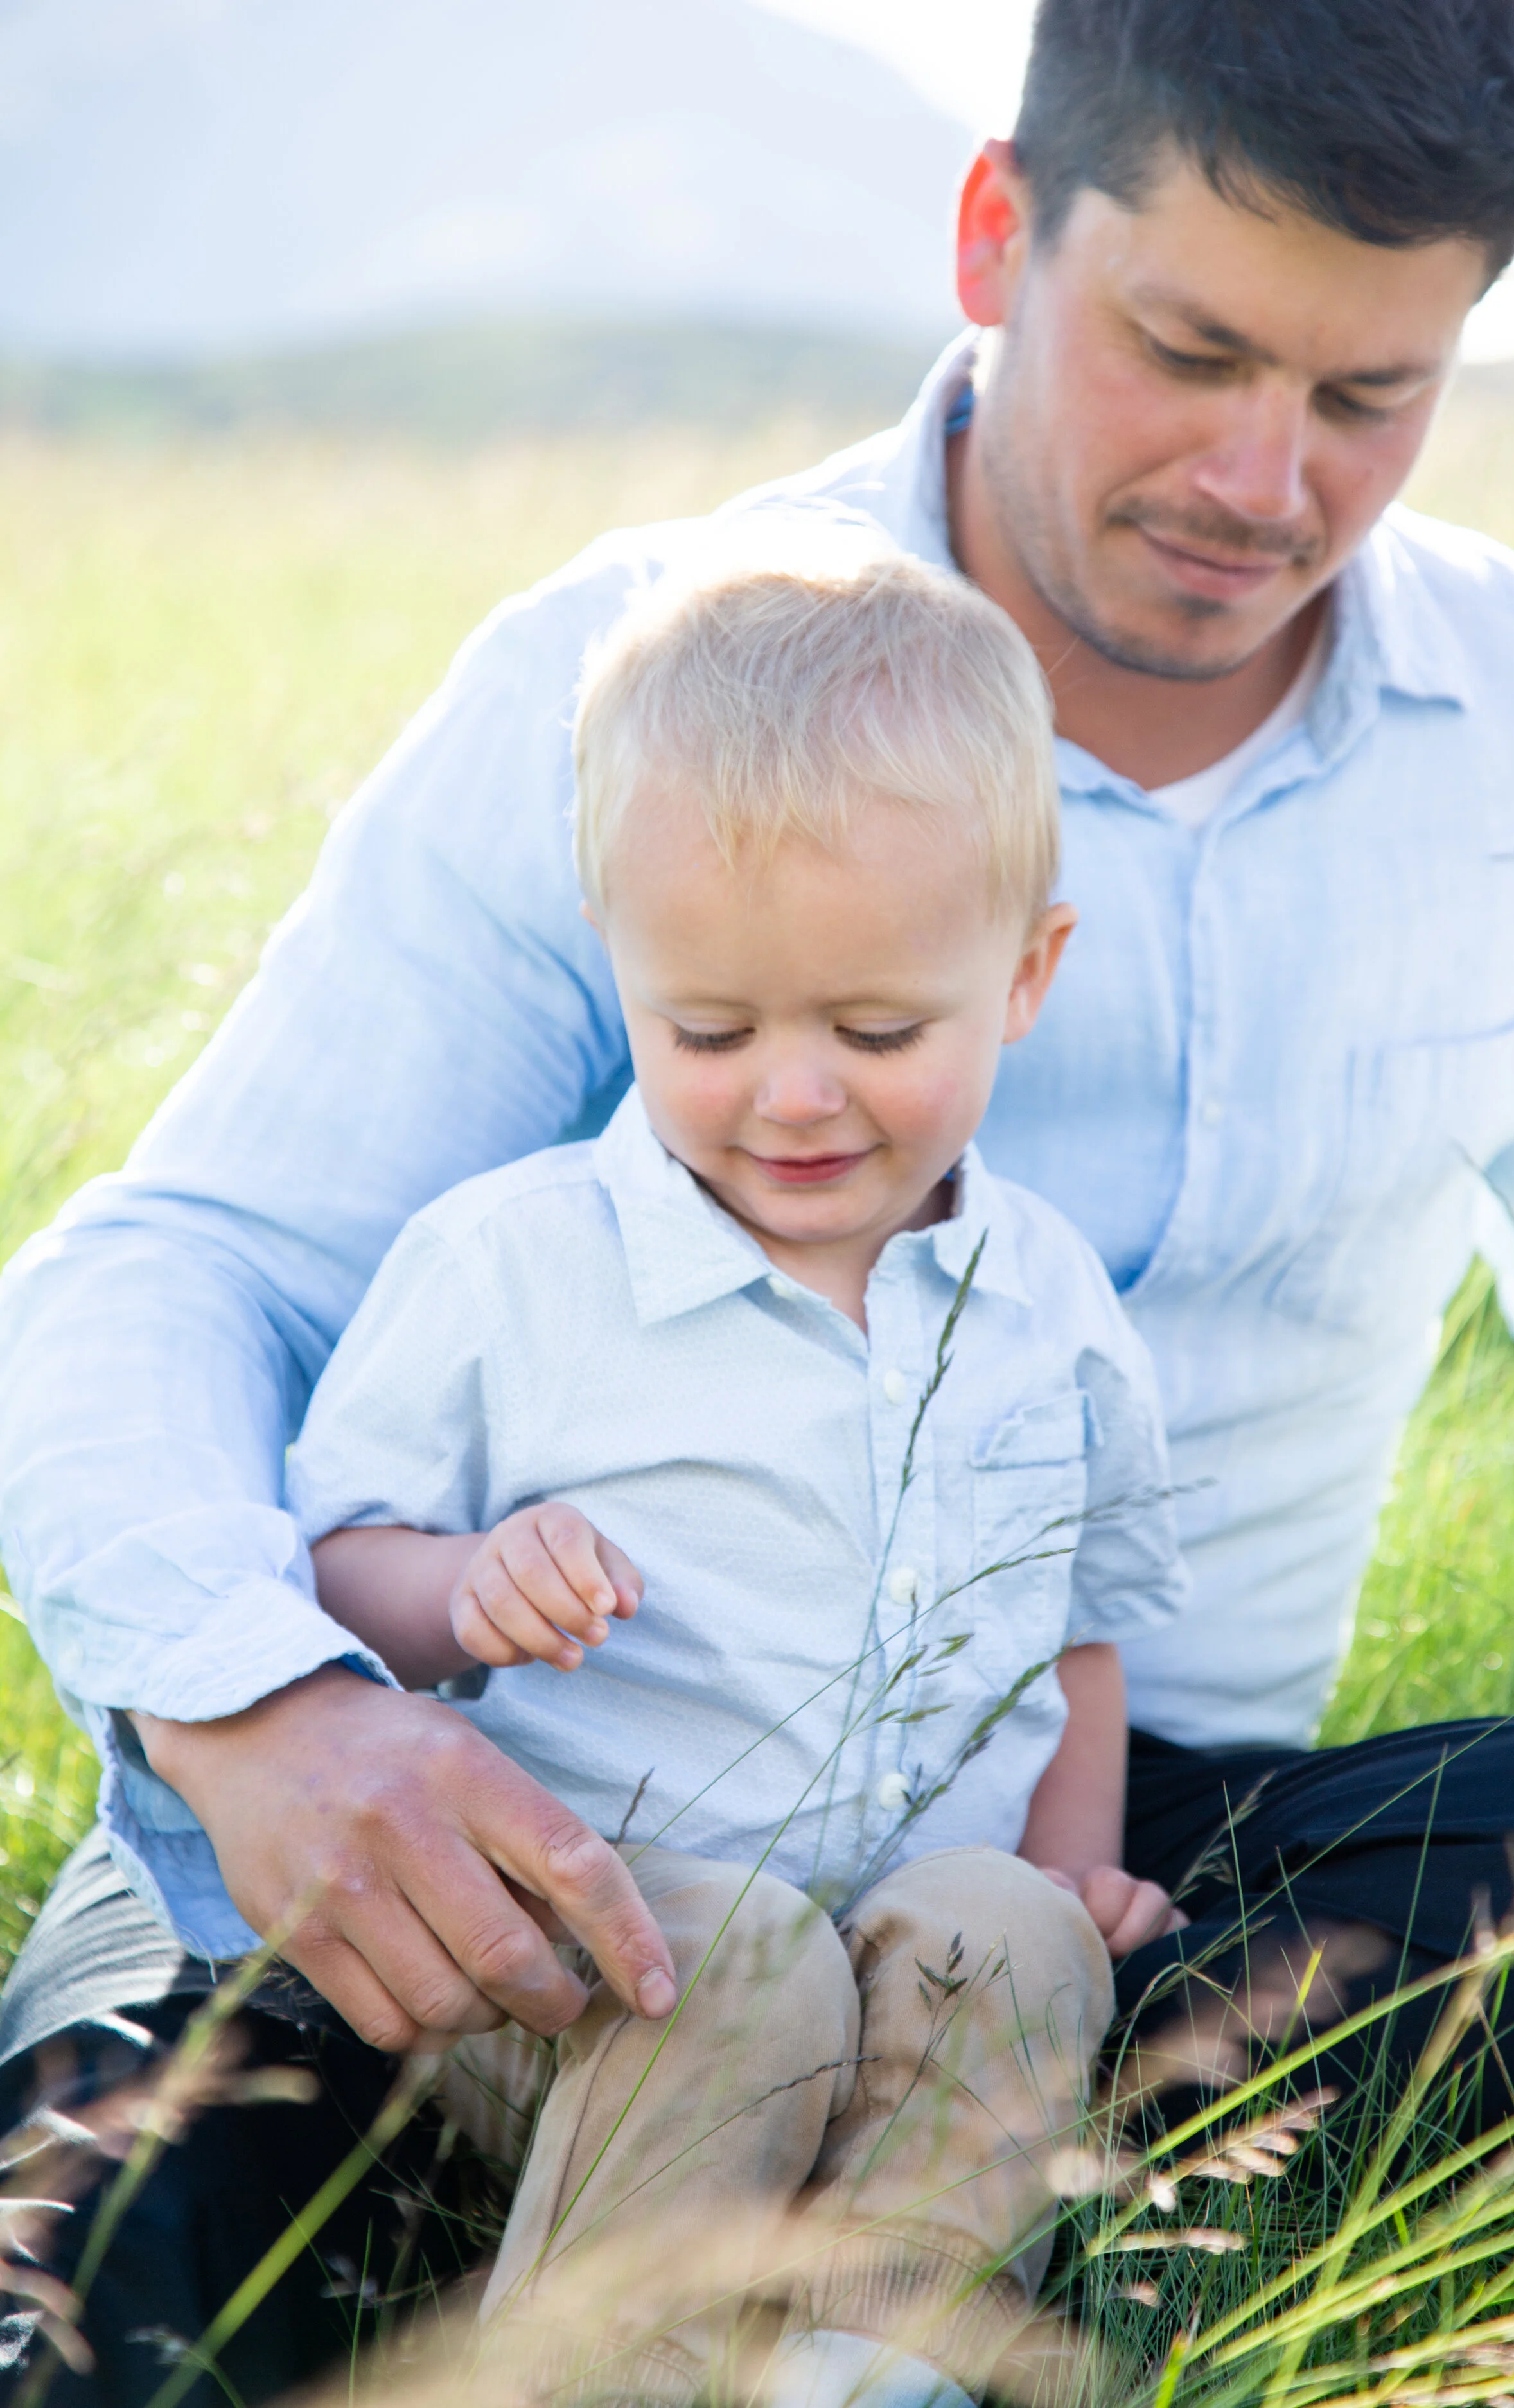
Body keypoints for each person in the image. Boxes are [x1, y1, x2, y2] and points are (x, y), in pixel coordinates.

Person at [1, 0, 1514, 2398]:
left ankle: (886, 2283)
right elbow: (189, 1265)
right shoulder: (643, 677)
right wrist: (273, 1717)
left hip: (1087, 1875)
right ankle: (583, 2254)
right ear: (996, 232)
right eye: (1188, 349)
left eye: (1368, 397)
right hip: (520, 1821)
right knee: (112, 2291)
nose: (1266, 477)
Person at [281, 537, 1190, 2407]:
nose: (792, 1095)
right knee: (751, 1961)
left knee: (1005, 1942)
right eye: (707, 1030)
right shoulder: (511, 1266)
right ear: (622, 967)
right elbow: (333, 1561)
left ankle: (867, 2366)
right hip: (581, 1954)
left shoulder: (1048, 1308)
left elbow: (1077, 1632)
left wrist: (1076, 1864)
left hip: (907, 1923)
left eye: (877, 1031)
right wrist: (462, 1584)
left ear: (1022, 976)